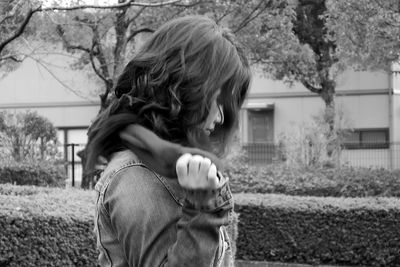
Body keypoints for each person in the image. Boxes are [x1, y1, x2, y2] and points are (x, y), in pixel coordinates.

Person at [86, 15, 251, 267]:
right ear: (185, 89)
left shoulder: (172, 165)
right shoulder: (137, 175)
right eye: (217, 100)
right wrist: (202, 210)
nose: (219, 118)